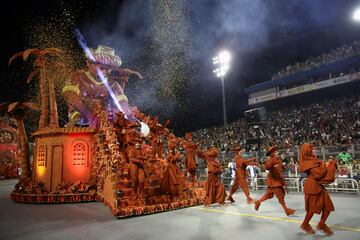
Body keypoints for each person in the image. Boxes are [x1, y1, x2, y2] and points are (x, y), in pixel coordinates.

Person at [299, 143, 337, 235]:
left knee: (328, 206)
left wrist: (326, 165)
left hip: (318, 186)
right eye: (313, 149)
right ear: (308, 151)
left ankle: (321, 224)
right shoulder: (308, 162)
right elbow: (318, 173)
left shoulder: (314, 160)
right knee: (312, 209)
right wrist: (325, 164)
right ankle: (305, 224)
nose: (315, 150)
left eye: (315, 149)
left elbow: (320, 172)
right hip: (312, 186)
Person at [254, 146, 296, 216]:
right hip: (274, 182)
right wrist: (261, 165)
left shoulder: (278, 160)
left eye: (277, 151)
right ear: (272, 153)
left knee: (269, 194)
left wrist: (284, 166)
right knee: (280, 195)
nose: (277, 152)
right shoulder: (271, 160)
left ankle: (258, 202)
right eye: (275, 151)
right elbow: (266, 166)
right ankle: (286, 210)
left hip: (277, 180)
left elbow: (281, 168)